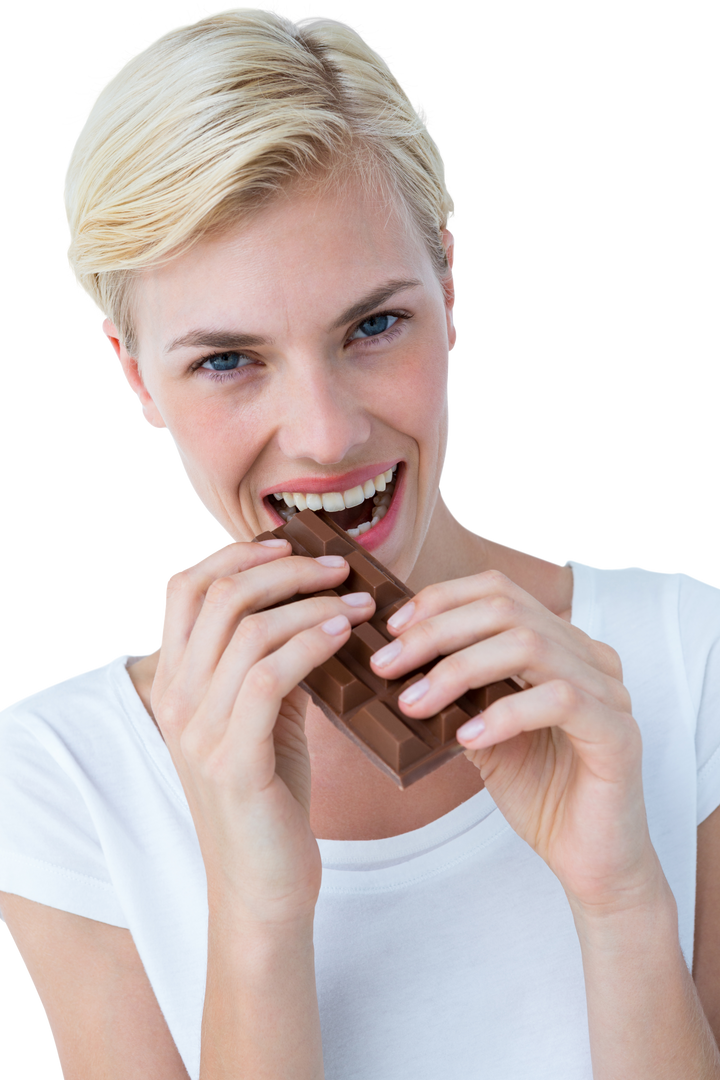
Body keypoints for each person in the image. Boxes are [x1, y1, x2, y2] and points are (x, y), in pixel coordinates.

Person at [1, 4, 718, 1078]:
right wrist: (257, 916)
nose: (329, 435)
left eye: (374, 325)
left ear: (451, 291)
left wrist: (621, 904)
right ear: (136, 373)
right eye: (228, 360)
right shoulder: (57, 775)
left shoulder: (692, 658)